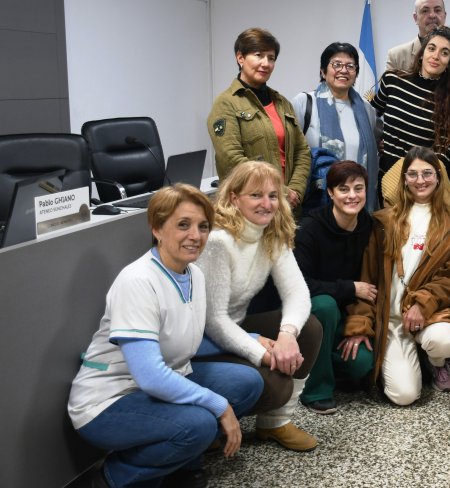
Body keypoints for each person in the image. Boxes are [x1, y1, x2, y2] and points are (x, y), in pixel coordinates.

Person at [68, 185, 263, 488]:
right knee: (198, 424)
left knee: (247, 383)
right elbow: (150, 376)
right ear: (157, 229)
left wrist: (252, 339)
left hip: (164, 380)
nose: (195, 235)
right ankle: (110, 479)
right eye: (183, 225)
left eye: (203, 226)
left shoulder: (192, 273)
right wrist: (219, 406)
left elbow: (188, 338)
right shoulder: (137, 281)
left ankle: (180, 464)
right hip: (110, 400)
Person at [196, 161, 323, 452]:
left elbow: (298, 294)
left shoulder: (271, 233)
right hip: (202, 343)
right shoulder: (218, 241)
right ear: (233, 198)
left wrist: (287, 335)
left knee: (309, 328)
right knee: (276, 385)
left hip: (235, 328)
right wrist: (263, 354)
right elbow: (213, 321)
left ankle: (276, 423)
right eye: (256, 195)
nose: (266, 204)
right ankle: (209, 429)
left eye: (273, 195)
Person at [342, 147, 450, 405]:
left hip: (431, 314)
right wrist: (359, 326)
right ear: (404, 179)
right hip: (392, 320)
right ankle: (411, 356)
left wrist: (422, 304)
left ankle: (436, 361)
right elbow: (366, 279)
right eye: (412, 174)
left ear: (438, 177)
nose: (420, 180)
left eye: (427, 173)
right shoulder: (381, 222)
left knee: (442, 341)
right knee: (403, 396)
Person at [293, 161, 376, 414]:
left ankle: (314, 363)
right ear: (330, 193)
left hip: (346, 317)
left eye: (358, 189)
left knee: (361, 364)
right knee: (325, 305)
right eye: (343, 189)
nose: (352, 196)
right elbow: (301, 286)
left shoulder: (369, 227)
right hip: (310, 314)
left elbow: (374, 284)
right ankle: (315, 390)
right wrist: (350, 288)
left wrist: (360, 326)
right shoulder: (309, 229)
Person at [208, 28, 311, 215]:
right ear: (240, 58)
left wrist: (294, 190)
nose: (266, 63)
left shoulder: (282, 103)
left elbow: (302, 151)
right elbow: (232, 160)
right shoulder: (226, 104)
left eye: (271, 58)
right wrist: (278, 193)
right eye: (258, 55)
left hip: (287, 210)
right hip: (247, 211)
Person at [291, 42, 379, 210]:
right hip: (316, 203)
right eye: (336, 64)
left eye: (350, 66)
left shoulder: (367, 110)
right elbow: (291, 152)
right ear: (323, 71)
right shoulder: (305, 103)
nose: (343, 70)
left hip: (356, 203)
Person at [373, 26, 450, 174]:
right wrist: (374, 142)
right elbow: (369, 118)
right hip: (385, 179)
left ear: (449, 63)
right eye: (432, 48)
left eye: (444, 53)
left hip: (422, 184)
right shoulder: (392, 80)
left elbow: (445, 152)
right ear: (422, 53)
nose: (436, 56)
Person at [385, 0, 450, 81]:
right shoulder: (396, 57)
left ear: (444, 15)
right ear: (415, 18)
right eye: (425, 11)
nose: (432, 15)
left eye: (437, 10)